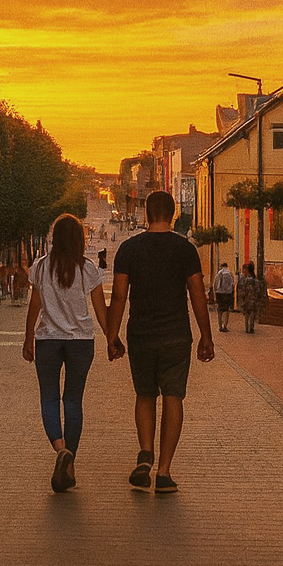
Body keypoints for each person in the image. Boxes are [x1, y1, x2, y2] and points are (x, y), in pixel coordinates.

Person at [106, 189, 214, 495]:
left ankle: (145, 453)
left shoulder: (128, 249)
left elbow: (119, 296)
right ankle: (164, 472)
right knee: (173, 397)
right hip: (176, 335)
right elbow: (197, 295)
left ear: (146, 214)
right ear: (173, 214)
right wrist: (206, 337)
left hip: (140, 334)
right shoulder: (185, 250)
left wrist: (112, 337)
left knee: (144, 395)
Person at [22, 214, 110, 493]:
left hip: (48, 340)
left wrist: (28, 339)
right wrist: (112, 339)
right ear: (80, 240)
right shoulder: (88, 269)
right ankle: (69, 456)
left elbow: (34, 306)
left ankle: (60, 450)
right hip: (80, 342)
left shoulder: (40, 267)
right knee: (73, 400)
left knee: (48, 397)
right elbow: (100, 309)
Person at [237, 261, 267, 334]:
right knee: (252, 313)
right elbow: (259, 291)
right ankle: (251, 327)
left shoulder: (244, 281)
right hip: (254, 299)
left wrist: (241, 299)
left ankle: (247, 327)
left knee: (247, 314)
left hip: (246, 299)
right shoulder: (256, 281)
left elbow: (241, 291)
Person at [212, 261, 236, 333]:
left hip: (219, 293)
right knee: (226, 309)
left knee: (220, 309)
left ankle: (220, 326)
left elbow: (215, 284)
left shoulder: (219, 273)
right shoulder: (230, 273)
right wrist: (232, 293)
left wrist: (215, 292)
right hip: (227, 293)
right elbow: (232, 284)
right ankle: (225, 325)